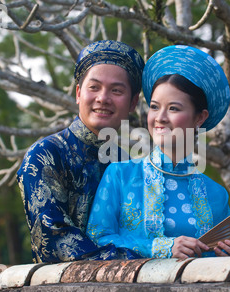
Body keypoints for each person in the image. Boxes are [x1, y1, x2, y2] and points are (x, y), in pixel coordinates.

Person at [86, 45, 230, 259]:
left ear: (200, 118)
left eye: (173, 108)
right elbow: (97, 239)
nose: (160, 117)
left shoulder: (216, 194)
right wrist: (161, 248)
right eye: (154, 106)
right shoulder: (120, 175)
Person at [17, 40, 145, 263]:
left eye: (116, 90)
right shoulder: (45, 155)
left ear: (133, 102)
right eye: (94, 87)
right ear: (78, 93)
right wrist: (139, 257)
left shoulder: (126, 162)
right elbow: (54, 240)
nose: (103, 98)